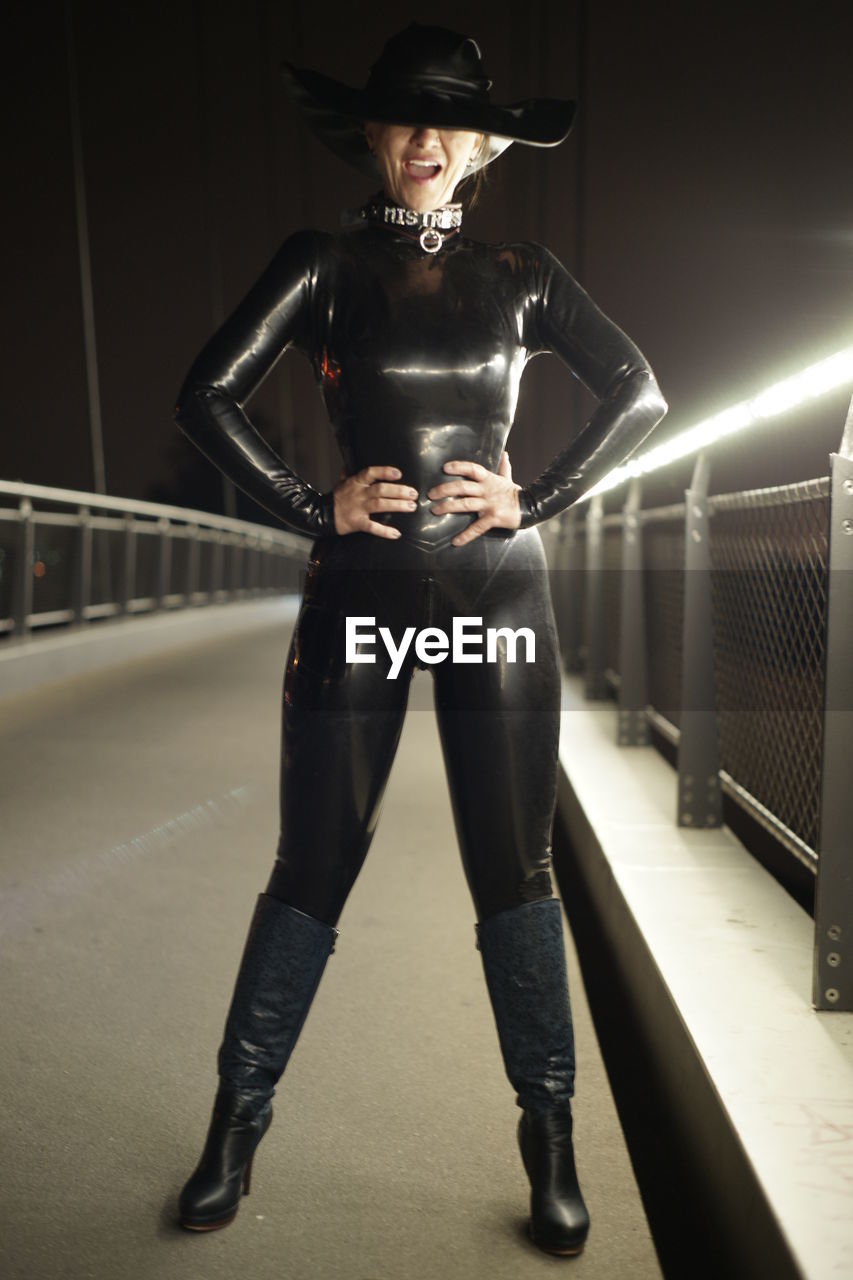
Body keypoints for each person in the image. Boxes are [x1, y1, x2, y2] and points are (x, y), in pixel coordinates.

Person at [173, 22, 666, 1257]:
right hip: (358, 598)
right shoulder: (325, 261)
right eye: (405, 120)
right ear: (374, 135)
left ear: (485, 147)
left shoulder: (524, 270)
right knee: (313, 861)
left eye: (450, 123)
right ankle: (233, 1130)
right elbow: (206, 392)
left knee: (515, 870)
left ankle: (548, 1140)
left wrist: (533, 498)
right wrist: (307, 503)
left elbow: (640, 391)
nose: (428, 142)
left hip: (498, 602)